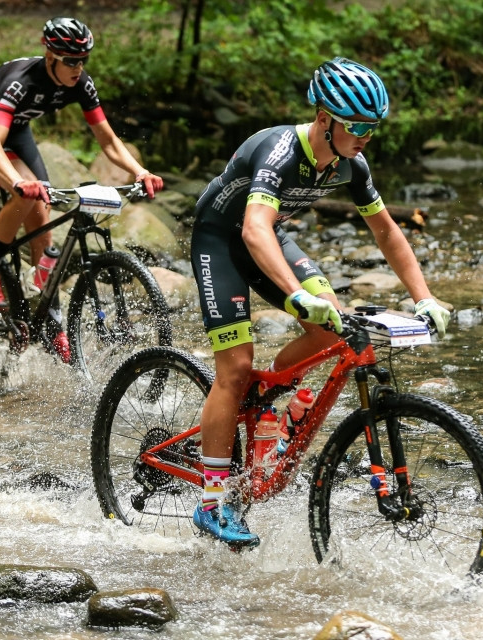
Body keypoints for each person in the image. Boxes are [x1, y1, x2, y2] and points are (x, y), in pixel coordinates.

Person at [189, 57, 451, 547]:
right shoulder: (279, 151)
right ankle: (211, 503)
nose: (366, 136)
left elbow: (387, 232)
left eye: (374, 127)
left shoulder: (352, 164)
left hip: (267, 236)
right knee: (235, 367)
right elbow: (252, 227)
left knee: (334, 324)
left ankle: (270, 401)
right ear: (324, 118)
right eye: (357, 126)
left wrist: (425, 297)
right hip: (222, 239)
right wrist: (293, 294)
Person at [0, 17, 163, 362]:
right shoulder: (20, 83)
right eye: (70, 60)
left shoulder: (81, 83)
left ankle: (49, 324)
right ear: (49, 54)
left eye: (83, 60)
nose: (77, 68)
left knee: (42, 218)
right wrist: (18, 182)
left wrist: (140, 171)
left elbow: (108, 140)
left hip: (18, 128)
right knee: (25, 194)